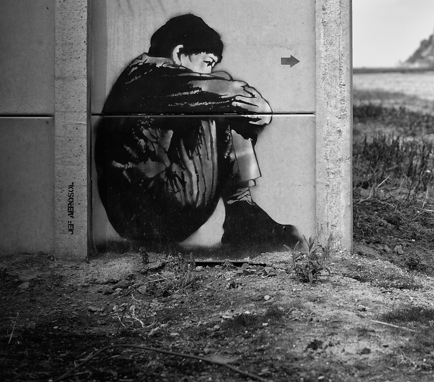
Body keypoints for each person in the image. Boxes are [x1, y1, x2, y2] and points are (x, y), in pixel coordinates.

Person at [95, 13, 301, 256]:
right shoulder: (158, 76)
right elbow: (250, 104)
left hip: (131, 210)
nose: (209, 72)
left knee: (214, 99)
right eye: (207, 62)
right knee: (218, 99)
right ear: (179, 53)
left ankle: (242, 210)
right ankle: (241, 209)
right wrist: (255, 108)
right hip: (158, 205)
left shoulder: (137, 75)